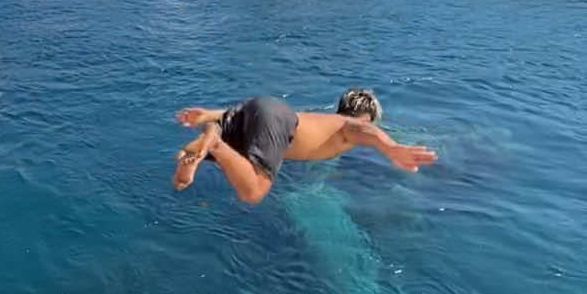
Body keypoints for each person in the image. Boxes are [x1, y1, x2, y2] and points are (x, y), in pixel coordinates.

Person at [172, 89, 437, 205]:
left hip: (253, 113)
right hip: (274, 121)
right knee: (253, 192)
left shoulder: (323, 119)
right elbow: (359, 129)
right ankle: (215, 141)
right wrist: (389, 147)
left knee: (185, 157)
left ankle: (211, 131)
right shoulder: (349, 125)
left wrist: (209, 114)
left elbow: (264, 115)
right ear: (367, 116)